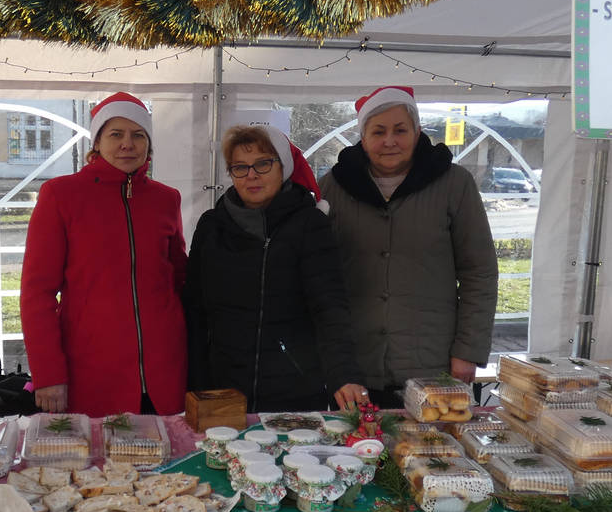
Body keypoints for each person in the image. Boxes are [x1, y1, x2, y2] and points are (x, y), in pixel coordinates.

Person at [318, 86, 499, 407]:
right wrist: (331, 360)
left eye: (400, 130)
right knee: (357, 439)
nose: (390, 141)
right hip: (355, 364)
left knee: (434, 439)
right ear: (363, 137)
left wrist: (468, 350)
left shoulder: (454, 184)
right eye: (378, 131)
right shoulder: (333, 186)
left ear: (417, 132)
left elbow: (479, 272)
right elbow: (317, 276)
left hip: (433, 364)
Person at [20, 92, 187, 416]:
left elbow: (179, 277)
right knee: (99, 449)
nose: (128, 144)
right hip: (92, 369)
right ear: (96, 142)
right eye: (116, 134)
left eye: (138, 135)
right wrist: (48, 373)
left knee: (169, 446)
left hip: (164, 368)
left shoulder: (167, 199)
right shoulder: (61, 195)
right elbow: (36, 293)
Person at [185, 124, 367, 412]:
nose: (252, 175)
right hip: (222, 388)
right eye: (240, 167)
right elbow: (195, 311)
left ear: (283, 168)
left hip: (293, 387)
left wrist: (344, 374)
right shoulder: (211, 226)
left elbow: (329, 307)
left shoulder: (310, 225)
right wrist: (195, 381)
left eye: (263, 164)